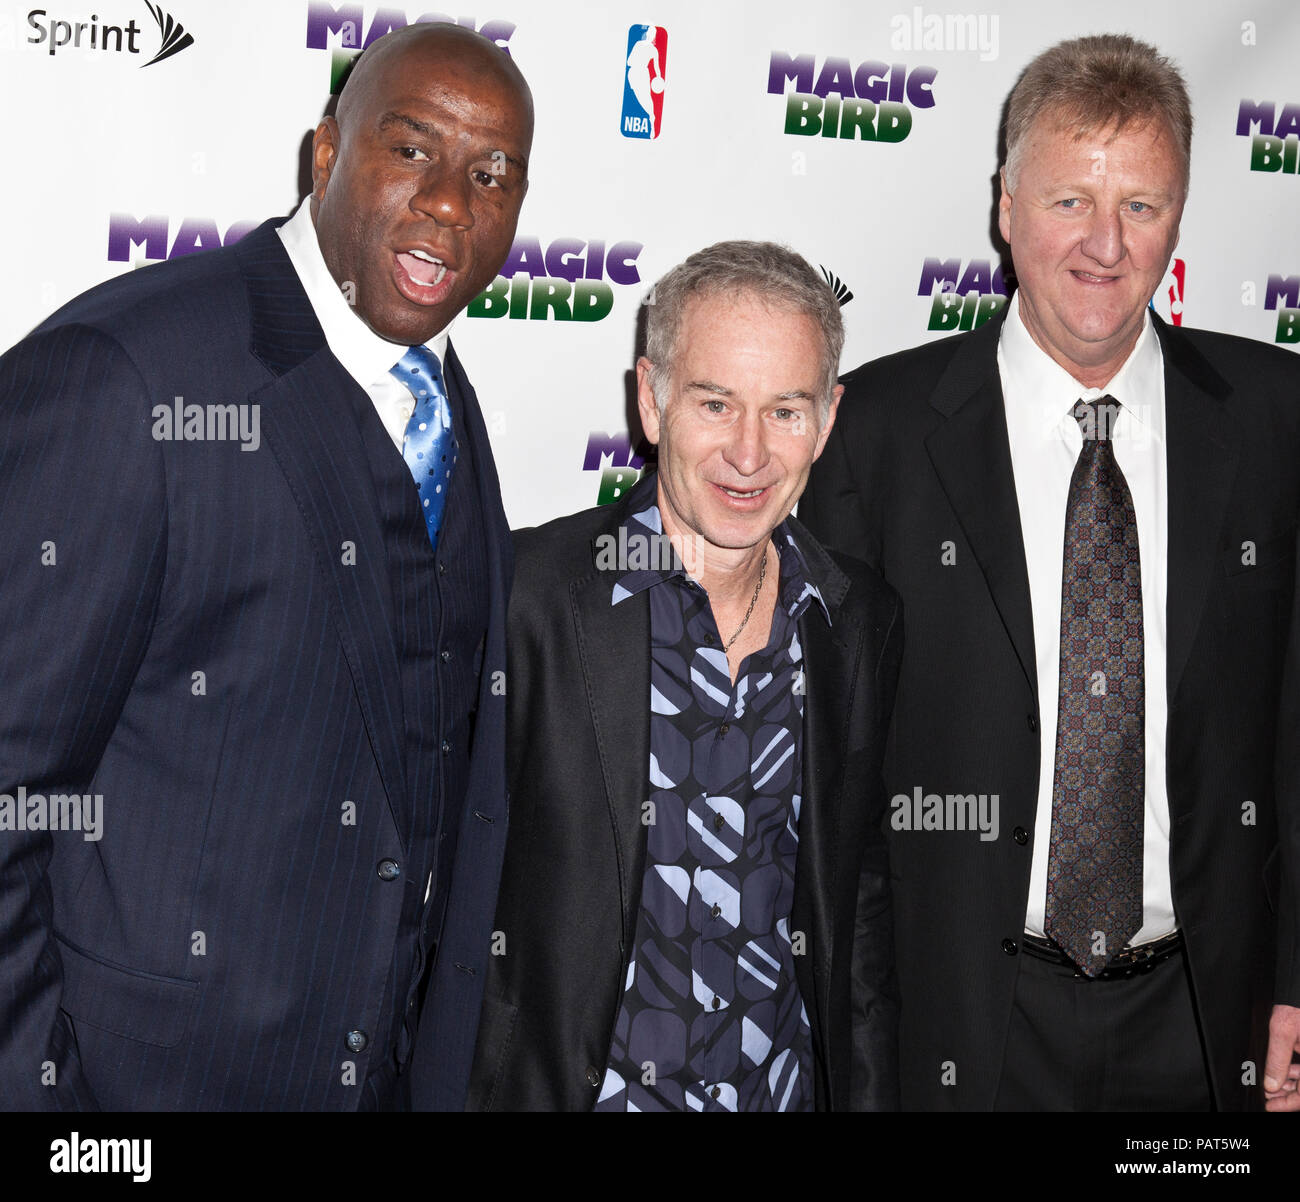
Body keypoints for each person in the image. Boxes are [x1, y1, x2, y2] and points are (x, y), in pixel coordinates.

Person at [0, 22, 531, 1111]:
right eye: (412, 149)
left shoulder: (443, 397)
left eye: (492, 174)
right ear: (325, 156)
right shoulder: (128, 375)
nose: (449, 201)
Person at [800, 33, 1300, 1112]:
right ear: (1004, 205)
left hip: (1209, 1021)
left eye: (1142, 206)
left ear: (1178, 218)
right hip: (962, 1021)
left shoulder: (1275, 418)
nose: (1105, 246)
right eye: (1069, 200)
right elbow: (830, 774)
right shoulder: (872, 434)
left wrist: (1294, 982)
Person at [468, 242, 902, 1111]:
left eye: (786, 410)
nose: (749, 453)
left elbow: (854, 907)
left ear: (827, 418)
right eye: (715, 403)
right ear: (651, 399)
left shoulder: (854, 619)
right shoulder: (528, 600)